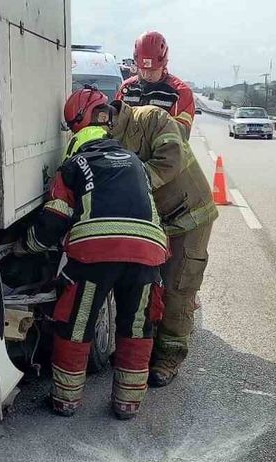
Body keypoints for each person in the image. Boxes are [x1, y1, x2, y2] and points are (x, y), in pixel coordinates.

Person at [16, 87, 168, 420]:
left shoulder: (74, 165)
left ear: (75, 131)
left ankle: (66, 401)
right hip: (148, 254)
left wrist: (24, 246)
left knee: (76, 322)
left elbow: (52, 222)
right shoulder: (136, 164)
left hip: (94, 255)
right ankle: (127, 404)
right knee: (137, 325)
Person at [107, 99, 217, 388]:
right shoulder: (106, 137)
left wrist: (127, 181)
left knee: (178, 286)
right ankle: (143, 347)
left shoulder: (152, 118)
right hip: (156, 220)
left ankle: (169, 356)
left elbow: (171, 160)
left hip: (191, 216)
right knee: (144, 285)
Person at [115, 31, 196, 141]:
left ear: (164, 64)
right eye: (143, 69)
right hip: (127, 155)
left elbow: (179, 137)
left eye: (152, 70)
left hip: (162, 154)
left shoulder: (180, 93)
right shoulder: (127, 88)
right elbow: (115, 127)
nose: (147, 75)